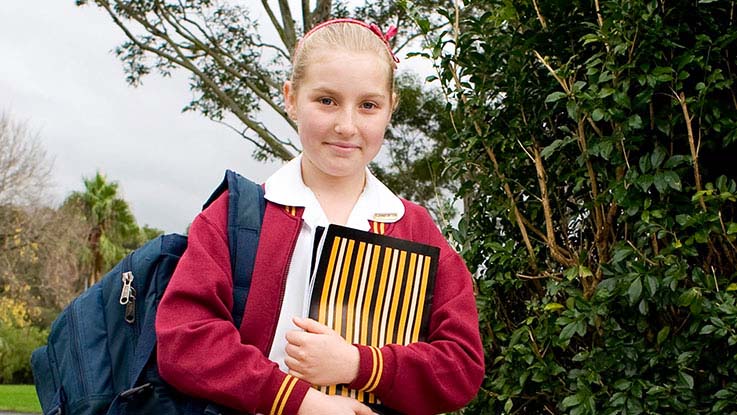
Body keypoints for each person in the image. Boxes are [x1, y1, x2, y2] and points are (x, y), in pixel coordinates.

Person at [155, 18, 484, 415]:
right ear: (291, 98)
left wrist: (358, 365)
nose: (346, 126)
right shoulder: (233, 217)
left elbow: (461, 366)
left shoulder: (415, 228)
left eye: (368, 105)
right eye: (326, 100)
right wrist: (301, 402)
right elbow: (183, 341)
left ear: (390, 108)